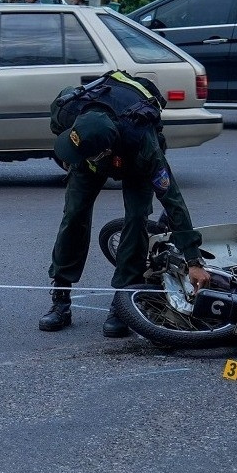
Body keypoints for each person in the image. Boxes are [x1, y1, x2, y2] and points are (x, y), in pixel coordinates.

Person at [42, 75, 211, 337]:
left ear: (106, 152)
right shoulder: (69, 109)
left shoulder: (143, 146)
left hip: (132, 159)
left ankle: (123, 301)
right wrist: (71, 155)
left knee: (136, 218)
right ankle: (60, 298)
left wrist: (193, 260)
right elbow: (58, 128)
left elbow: (172, 198)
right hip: (92, 152)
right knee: (74, 214)